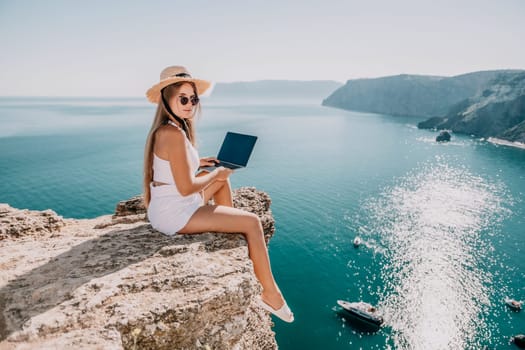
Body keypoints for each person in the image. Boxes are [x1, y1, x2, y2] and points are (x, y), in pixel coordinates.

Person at [143, 65, 294, 323]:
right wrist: (218, 173)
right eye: (183, 98)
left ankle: (227, 226)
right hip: (175, 213)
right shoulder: (173, 134)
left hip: (170, 205)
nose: (190, 104)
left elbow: (173, 167)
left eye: (194, 98)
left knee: (222, 185)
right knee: (252, 222)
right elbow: (187, 188)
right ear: (166, 98)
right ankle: (271, 294)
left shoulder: (170, 129)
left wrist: (201, 163)